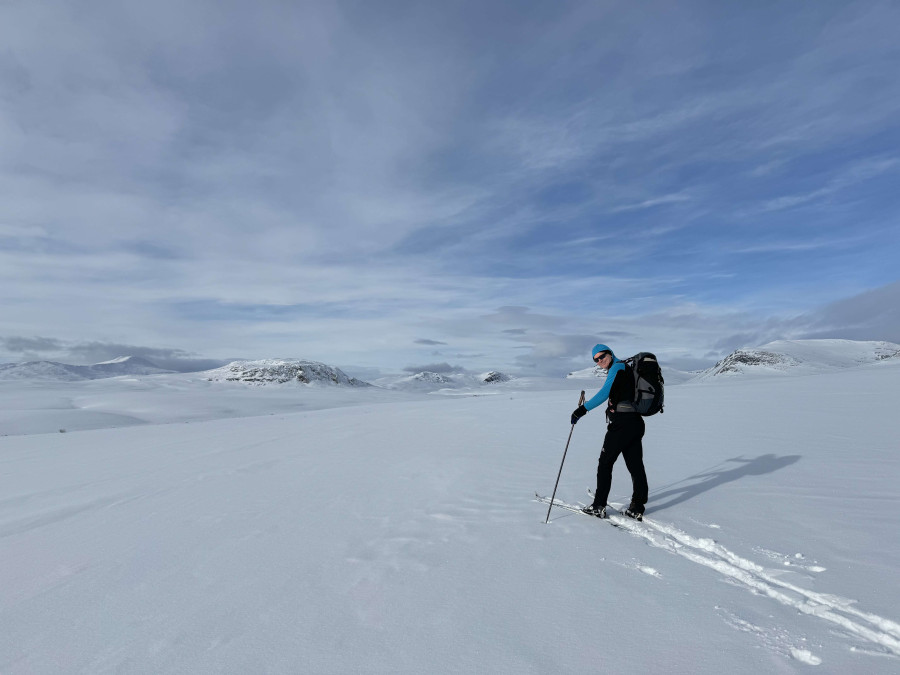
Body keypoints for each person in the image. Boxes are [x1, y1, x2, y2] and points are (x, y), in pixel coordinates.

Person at [570, 344, 648, 520]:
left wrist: (582, 410)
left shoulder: (617, 368)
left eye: (602, 356)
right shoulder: (624, 368)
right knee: (635, 465)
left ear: (610, 353)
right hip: (635, 423)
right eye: (596, 360)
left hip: (622, 425)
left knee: (605, 463)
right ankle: (637, 507)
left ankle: (598, 506)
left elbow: (604, 393)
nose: (600, 361)